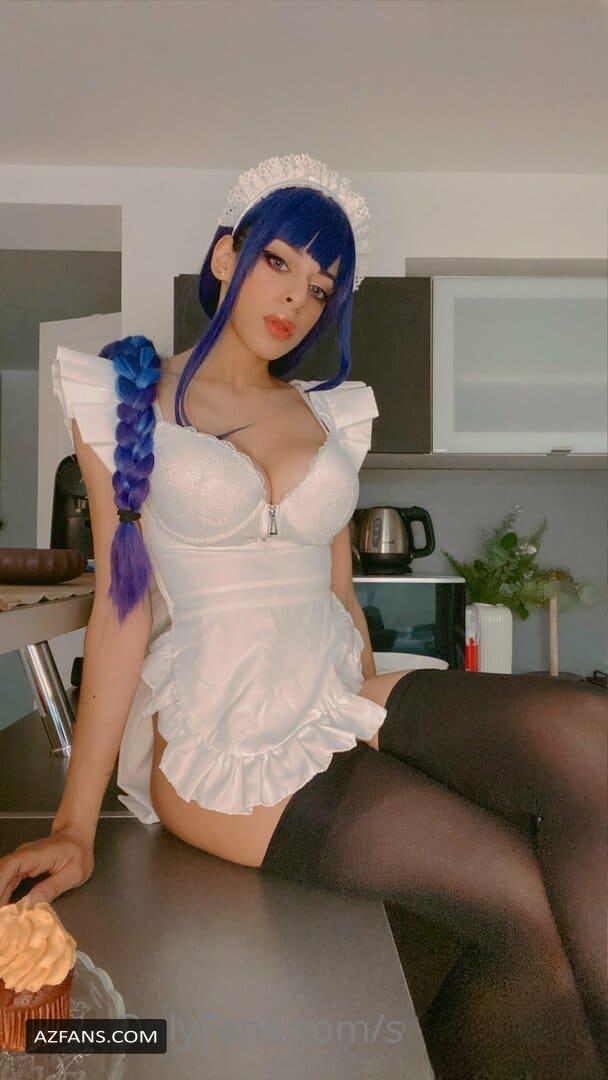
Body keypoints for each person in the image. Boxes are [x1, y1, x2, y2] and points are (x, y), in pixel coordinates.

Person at [0, 153, 605, 1078]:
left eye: (321, 287)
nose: (296, 298)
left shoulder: (333, 416)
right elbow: (123, 614)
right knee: (523, 903)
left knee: (588, 728)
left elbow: (340, 595)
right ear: (225, 256)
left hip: (341, 693)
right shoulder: (127, 398)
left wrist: (388, 732)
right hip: (229, 741)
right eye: (278, 262)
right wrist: (76, 825)